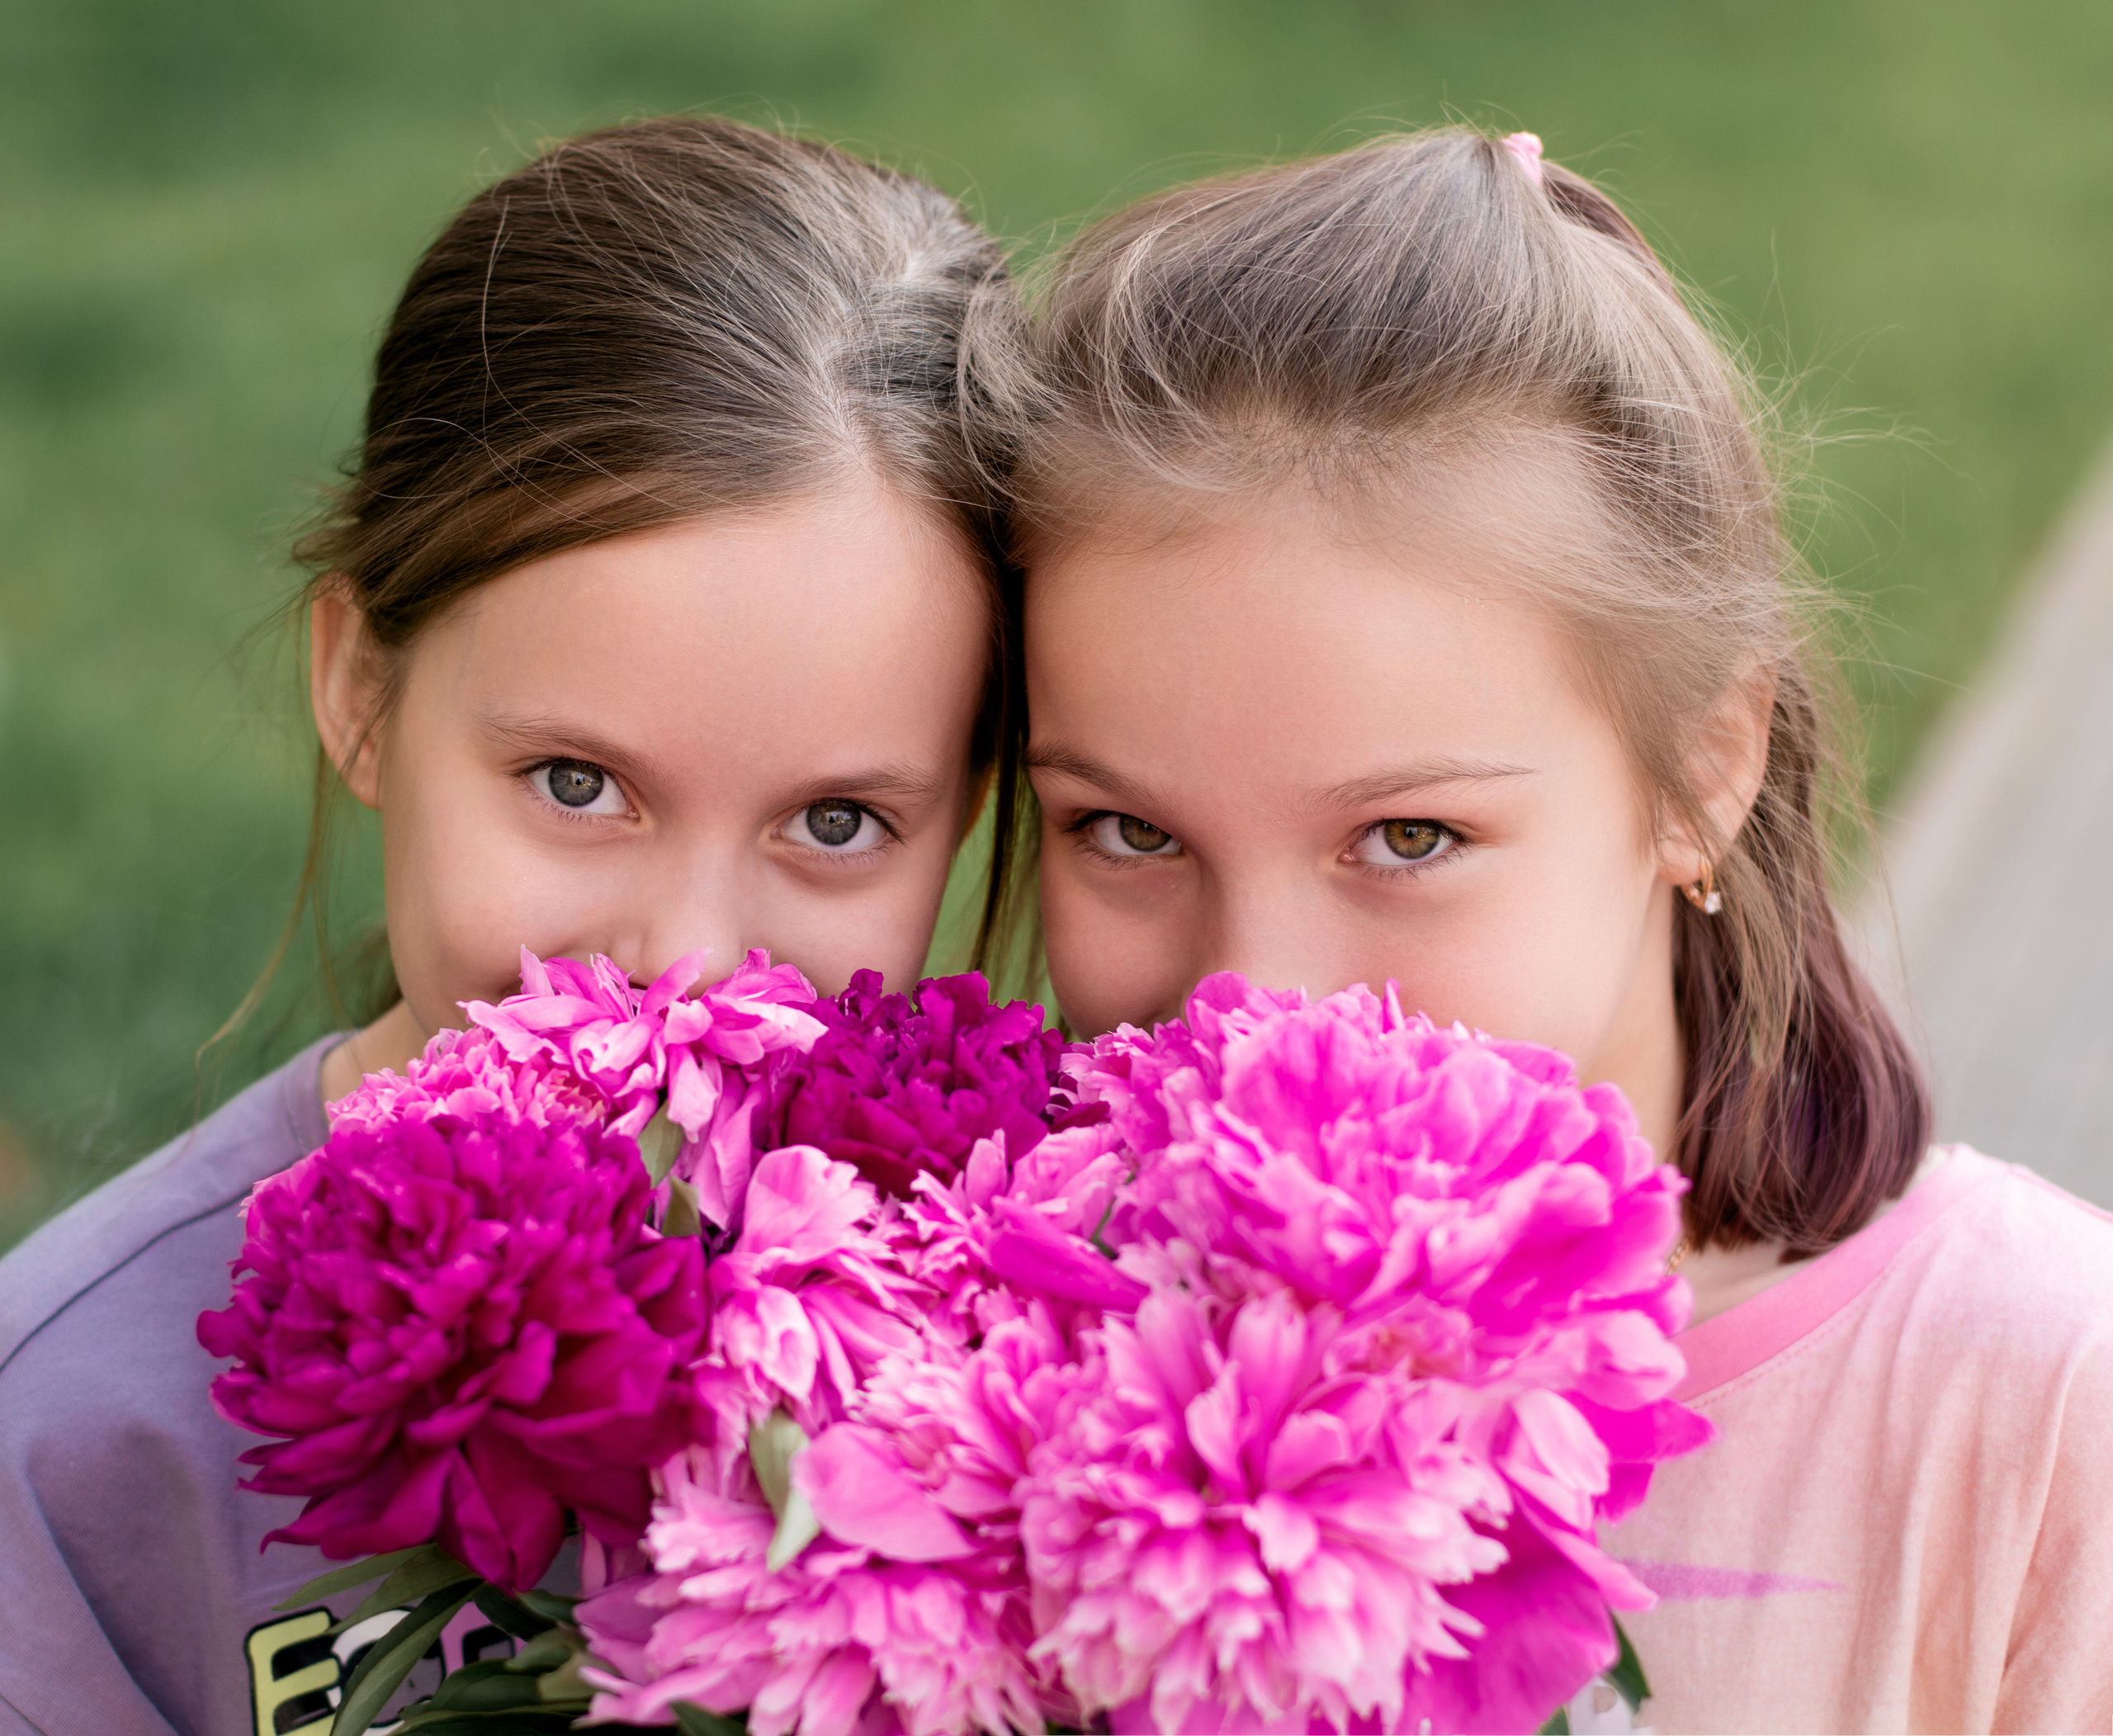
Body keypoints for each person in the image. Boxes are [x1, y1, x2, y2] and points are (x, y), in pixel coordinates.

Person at [1009, 128, 2113, 1732]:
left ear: (1699, 772)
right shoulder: (983, 1379)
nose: (1249, 1000)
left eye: (1405, 836)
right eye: (1126, 829)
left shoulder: (2033, 1401)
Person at [0, 117, 1028, 1736]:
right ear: (357, 687)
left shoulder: (1038, 1344)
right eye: (575, 780)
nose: (683, 959)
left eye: (834, 822)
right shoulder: (73, 1435)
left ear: (960, 811)